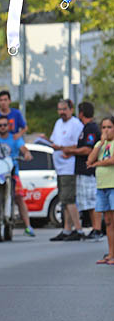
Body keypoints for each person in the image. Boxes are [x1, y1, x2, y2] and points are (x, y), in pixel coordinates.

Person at [43, 99, 85, 241]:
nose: (62, 112)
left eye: (64, 109)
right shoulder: (58, 123)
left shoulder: (76, 124)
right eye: (59, 109)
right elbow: (55, 142)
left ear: (71, 109)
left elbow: (78, 145)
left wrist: (62, 149)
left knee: (69, 198)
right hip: (59, 167)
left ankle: (78, 229)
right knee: (64, 199)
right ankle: (67, 229)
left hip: (69, 167)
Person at [61, 102, 103, 240]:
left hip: (88, 171)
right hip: (82, 170)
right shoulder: (86, 128)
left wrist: (71, 151)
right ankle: (94, 228)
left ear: (81, 113)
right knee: (87, 202)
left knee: (92, 202)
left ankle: (97, 229)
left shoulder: (91, 128)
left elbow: (88, 149)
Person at [87, 116, 114, 264]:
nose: (106, 130)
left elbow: (112, 160)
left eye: (109, 127)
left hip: (113, 185)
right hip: (102, 186)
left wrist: (98, 163)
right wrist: (100, 144)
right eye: (103, 127)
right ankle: (110, 254)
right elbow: (90, 160)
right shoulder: (100, 144)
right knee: (108, 221)